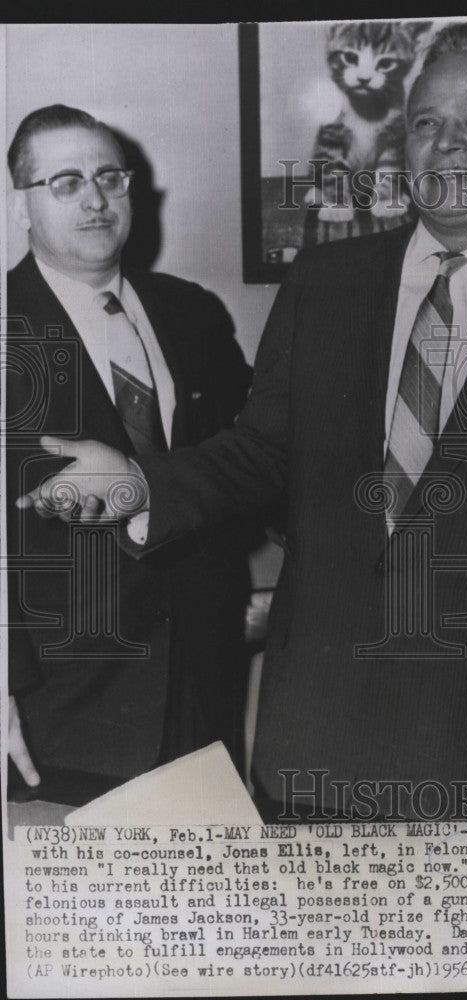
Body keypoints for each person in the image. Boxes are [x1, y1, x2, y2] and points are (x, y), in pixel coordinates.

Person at [16, 27, 467, 820]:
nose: (447, 145)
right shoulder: (326, 282)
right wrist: (139, 485)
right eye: (428, 123)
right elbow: (259, 452)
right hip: (311, 747)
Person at [6, 105, 253, 797]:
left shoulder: (191, 312)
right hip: (64, 705)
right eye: (65, 182)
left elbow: (249, 463)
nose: (95, 199)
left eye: (110, 177)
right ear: (20, 206)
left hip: (204, 678)